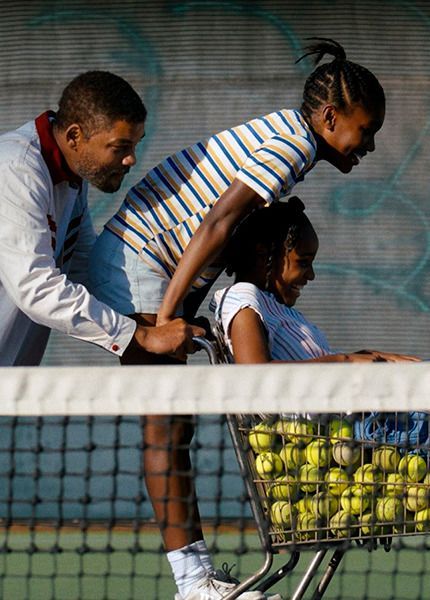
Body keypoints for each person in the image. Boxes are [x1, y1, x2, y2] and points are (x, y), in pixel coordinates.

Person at [88, 38, 386, 600]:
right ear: (329, 117)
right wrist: (166, 319)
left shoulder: (288, 140)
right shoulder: (291, 147)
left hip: (162, 268)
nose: (368, 145)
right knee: (167, 425)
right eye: (365, 130)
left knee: (175, 426)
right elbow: (216, 226)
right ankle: (192, 583)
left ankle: (195, 577)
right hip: (142, 264)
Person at [0, 70, 204, 367]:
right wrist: (141, 335)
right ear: (74, 137)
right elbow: (36, 287)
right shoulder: (15, 171)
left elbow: (85, 270)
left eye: (135, 145)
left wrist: (153, 318)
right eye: (120, 147)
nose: (132, 159)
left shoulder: (70, 176)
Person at [213, 196, 420, 366]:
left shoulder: (279, 309)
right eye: (303, 262)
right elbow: (254, 372)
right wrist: (344, 361)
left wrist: (374, 356)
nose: (311, 275)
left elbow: (312, 362)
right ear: (263, 254)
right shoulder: (242, 296)